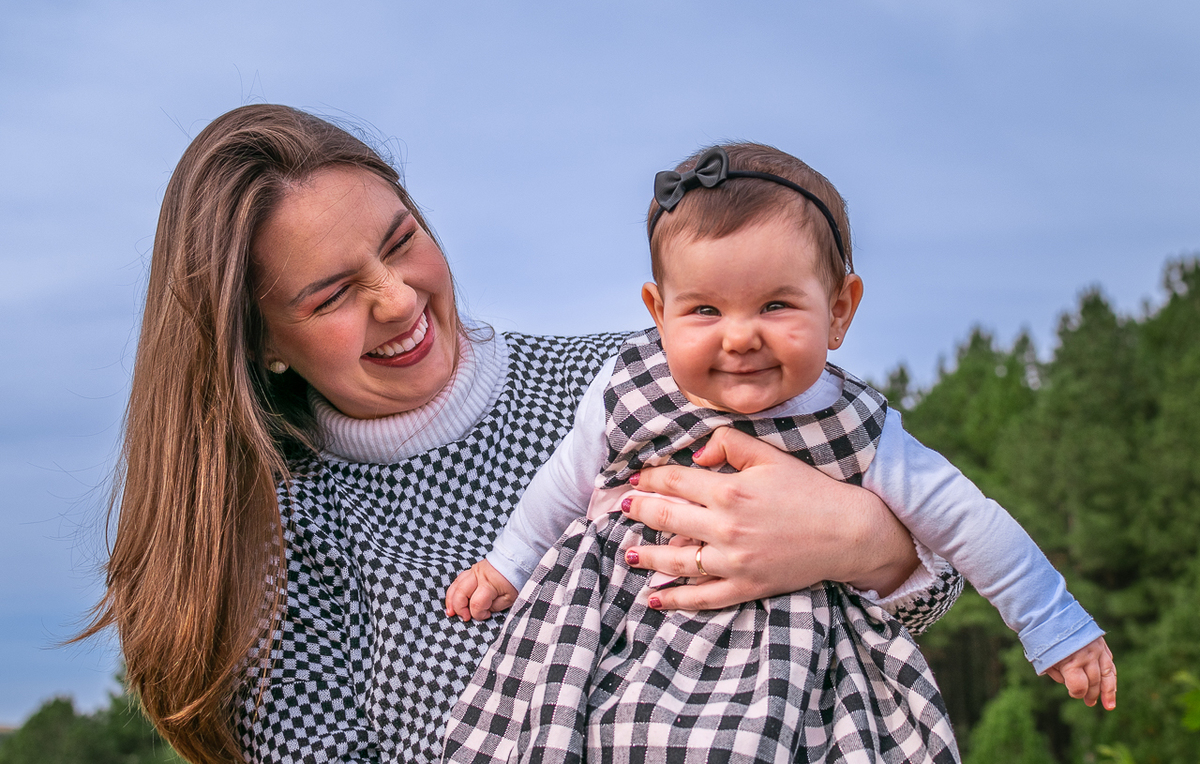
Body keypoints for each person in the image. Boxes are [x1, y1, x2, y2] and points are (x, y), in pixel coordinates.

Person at [79, 107, 962, 764]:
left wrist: (860, 542)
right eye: (332, 295)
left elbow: (925, 594)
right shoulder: (280, 545)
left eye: (402, 241)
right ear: (262, 342)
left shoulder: (624, 381)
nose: (397, 298)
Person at [444, 144, 1117, 764]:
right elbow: (562, 483)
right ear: (658, 311)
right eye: (705, 310)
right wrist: (510, 563)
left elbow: (970, 525)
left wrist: (1054, 628)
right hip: (609, 623)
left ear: (839, 311)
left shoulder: (857, 427)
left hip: (786, 657)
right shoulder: (627, 384)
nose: (739, 337)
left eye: (775, 304)